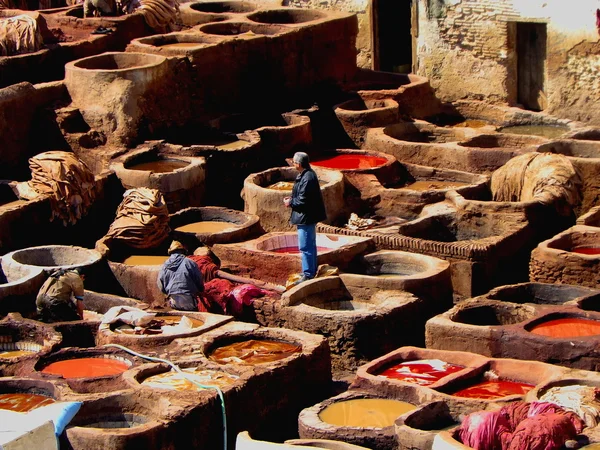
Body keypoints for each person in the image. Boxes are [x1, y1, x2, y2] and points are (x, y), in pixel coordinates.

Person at [283, 152, 327, 283]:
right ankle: (310, 271)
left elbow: (303, 201)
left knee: (306, 246)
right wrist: (292, 199)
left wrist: (290, 202)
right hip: (307, 216)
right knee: (310, 245)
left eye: (294, 162)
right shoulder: (307, 174)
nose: (293, 164)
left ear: (299, 164)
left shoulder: (307, 178)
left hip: (306, 217)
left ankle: (308, 274)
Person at [157, 240, 204, 311]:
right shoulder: (189, 262)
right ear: (183, 251)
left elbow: (160, 283)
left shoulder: (165, 265)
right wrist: (200, 290)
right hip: (188, 298)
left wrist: (167, 293)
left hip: (173, 298)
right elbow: (198, 279)